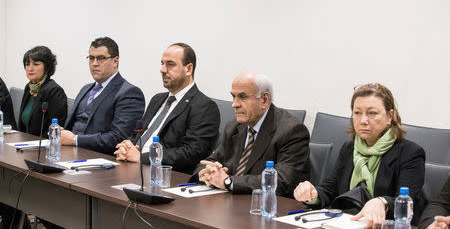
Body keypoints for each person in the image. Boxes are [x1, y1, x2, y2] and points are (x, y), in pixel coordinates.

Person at [293, 83, 426, 228]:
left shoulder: (410, 153)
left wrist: (382, 201)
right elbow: (329, 190)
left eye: (372, 113)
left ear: (390, 116)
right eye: (357, 113)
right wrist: (312, 194)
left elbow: (406, 202)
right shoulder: (349, 148)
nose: (363, 120)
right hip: (348, 223)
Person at [191, 71, 310, 197]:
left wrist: (228, 182)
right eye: (233, 96)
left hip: (270, 208)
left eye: (242, 97)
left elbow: (282, 181)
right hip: (232, 203)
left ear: (264, 99)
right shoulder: (234, 127)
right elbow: (211, 161)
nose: (234, 104)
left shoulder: (291, 131)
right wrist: (206, 173)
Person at [114, 43, 220, 174]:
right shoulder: (157, 99)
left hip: (165, 175)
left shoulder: (204, 106)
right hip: (133, 168)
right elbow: (138, 133)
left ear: (188, 69)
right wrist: (127, 147)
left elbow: (191, 153)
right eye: (162, 64)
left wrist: (143, 158)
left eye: (170, 64)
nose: (163, 70)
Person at [62, 37, 145, 155]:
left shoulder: (130, 93)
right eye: (91, 58)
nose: (94, 64)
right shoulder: (86, 89)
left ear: (115, 61)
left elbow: (118, 138)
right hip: (68, 152)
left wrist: (75, 140)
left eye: (101, 58)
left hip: (99, 159)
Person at [18, 46, 67, 137]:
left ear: (47, 67)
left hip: (43, 146)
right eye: (27, 64)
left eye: (36, 64)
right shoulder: (29, 88)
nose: (30, 68)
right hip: (25, 143)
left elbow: (55, 130)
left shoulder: (54, 91)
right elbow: (22, 126)